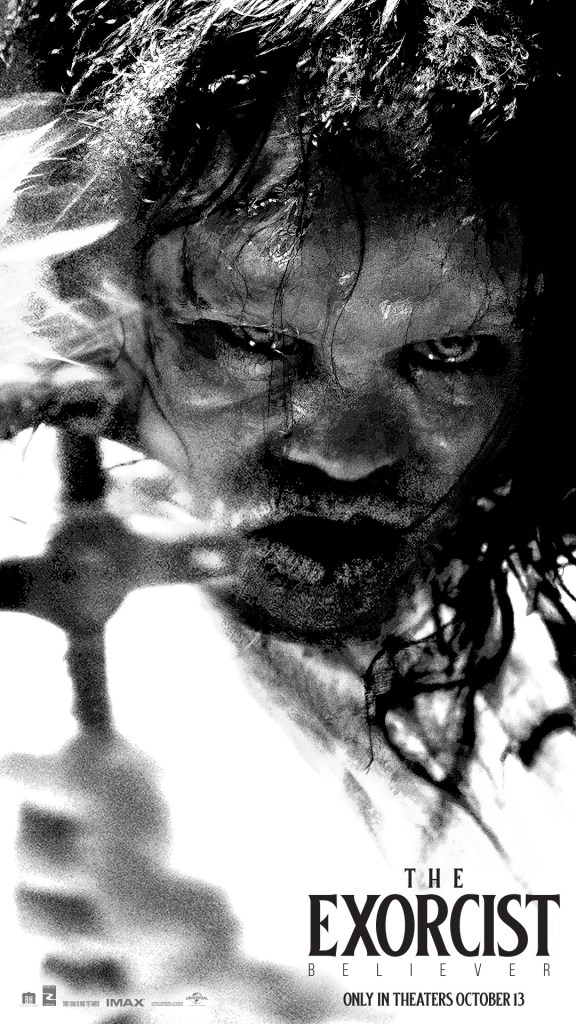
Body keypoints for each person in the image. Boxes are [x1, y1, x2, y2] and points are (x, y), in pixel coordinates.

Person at [0, 2, 574, 1021]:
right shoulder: (40, 690)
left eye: (446, 354)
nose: (346, 452)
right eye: (252, 341)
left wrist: (225, 972)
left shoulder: (529, 628)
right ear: (102, 307)